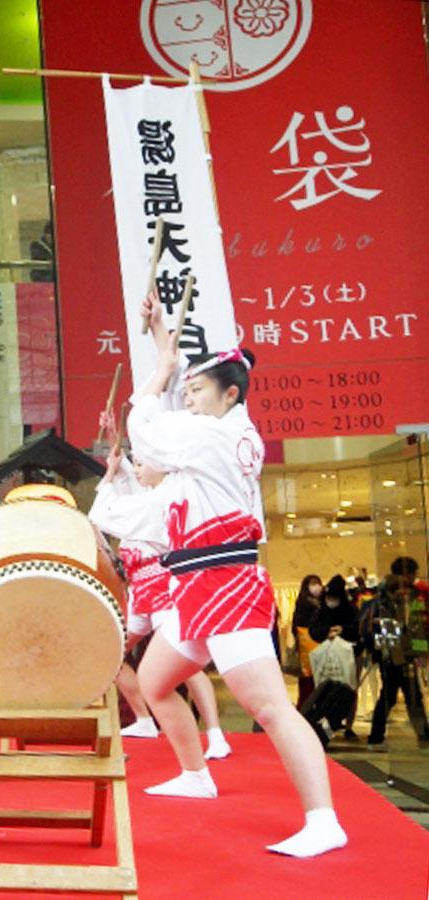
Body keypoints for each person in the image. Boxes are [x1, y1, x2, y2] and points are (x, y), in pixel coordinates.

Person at [127, 292, 346, 858]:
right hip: (196, 585)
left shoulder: (214, 437)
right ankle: (197, 774)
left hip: (224, 581)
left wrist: (162, 370)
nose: (189, 401)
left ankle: (323, 818)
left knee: (270, 706)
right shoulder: (223, 433)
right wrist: (163, 352)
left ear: (230, 393)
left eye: (197, 391)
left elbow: (146, 431)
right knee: (153, 683)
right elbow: (158, 441)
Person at [89, 444, 231, 758]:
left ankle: (216, 734)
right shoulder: (146, 498)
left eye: (141, 463)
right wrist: (116, 459)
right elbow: (126, 487)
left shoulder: (158, 501)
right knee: (109, 653)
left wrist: (112, 471)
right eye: (134, 463)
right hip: (141, 592)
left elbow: (104, 511)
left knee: (187, 665)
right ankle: (143, 718)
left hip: (167, 591)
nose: (135, 469)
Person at [361, 557, 429, 748]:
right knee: (395, 696)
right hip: (391, 656)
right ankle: (378, 736)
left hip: (406, 655)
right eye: (412, 574)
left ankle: (421, 734)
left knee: (407, 696)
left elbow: (416, 628)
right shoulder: (386, 597)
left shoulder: (412, 597)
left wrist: (419, 652)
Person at [291, 575, 323, 709]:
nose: (316, 587)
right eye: (313, 584)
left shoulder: (320, 602)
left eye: (318, 583)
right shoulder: (304, 603)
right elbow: (297, 625)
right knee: (307, 681)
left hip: (318, 646)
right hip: (307, 648)